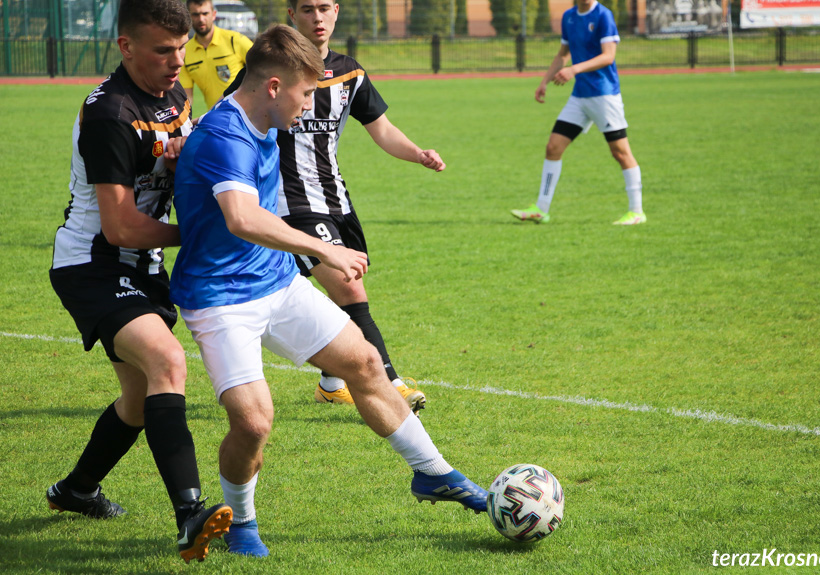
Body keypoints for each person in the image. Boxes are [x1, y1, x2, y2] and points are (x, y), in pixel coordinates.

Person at [171, 23, 488, 558]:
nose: (308, 107)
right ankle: (242, 522)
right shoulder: (227, 135)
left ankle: (433, 473)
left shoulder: (259, 115)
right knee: (253, 421)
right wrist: (326, 250)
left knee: (364, 363)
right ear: (273, 87)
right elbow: (242, 217)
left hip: (275, 280)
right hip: (221, 296)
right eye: (303, 94)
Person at [46, 0, 231, 564]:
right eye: (161, 50)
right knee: (167, 363)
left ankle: (75, 491)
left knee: (137, 399)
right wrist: (200, 232)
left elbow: (180, 162)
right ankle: (190, 514)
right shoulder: (110, 113)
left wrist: (183, 156)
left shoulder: (174, 92)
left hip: (144, 266)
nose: (177, 61)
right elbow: (121, 224)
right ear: (126, 47)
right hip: (94, 265)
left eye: (181, 49)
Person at [225, 0, 442, 412]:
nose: (317, 18)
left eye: (324, 8)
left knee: (342, 284)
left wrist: (417, 153)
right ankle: (389, 381)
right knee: (347, 285)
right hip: (289, 203)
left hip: (336, 199)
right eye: (307, 10)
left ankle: (330, 379)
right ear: (292, 15)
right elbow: (231, 113)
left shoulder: (349, 73)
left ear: (337, 12)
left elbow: (381, 128)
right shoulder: (270, 69)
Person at [510, 0, 645, 226]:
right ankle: (541, 209)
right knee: (553, 147)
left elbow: (608, 56)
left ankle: (637, 211)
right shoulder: (568, 17)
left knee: (620, 152)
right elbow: (563, 54)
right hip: (580, 96)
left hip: (604, 95)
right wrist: (544, 82)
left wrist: (574, 69)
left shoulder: (603, 16)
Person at [180, 0, 253, 113]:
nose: (201, 19)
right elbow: (186, 98)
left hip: (248, 114)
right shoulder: (185, 52)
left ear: (213, 14)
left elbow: (263, 65)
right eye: (195, 14)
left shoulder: (234, 40)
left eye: (205, 13)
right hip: (218, 118)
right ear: (188, 17)